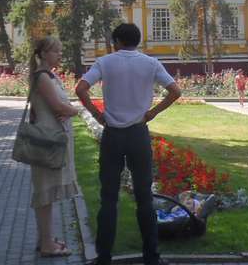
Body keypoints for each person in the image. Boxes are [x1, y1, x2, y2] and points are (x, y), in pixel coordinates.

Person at [75, 23, 182, 265]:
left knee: (108, 198)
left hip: (112, 134)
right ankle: (151, 257)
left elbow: (80, 88)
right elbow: (175, 91)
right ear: (137, 40)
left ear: (117, 41)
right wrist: (152, 113)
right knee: (144, 197)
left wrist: (96, 114)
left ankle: (104, 257)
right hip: (138, 134)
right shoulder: (150, 63)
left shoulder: (105, 62)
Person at [26, 37, 81, 257]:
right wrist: (75, 110)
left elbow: (58, 107)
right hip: (48, 140)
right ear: (44, 53)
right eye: (56, 51)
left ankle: (44, 239)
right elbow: (58, 106)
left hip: (52, 139)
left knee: (46, 190)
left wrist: (66, 109)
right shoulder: (42, 77)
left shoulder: (48, 76)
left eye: (60, 50)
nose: (60, 54)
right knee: (45, 191)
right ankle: (47, 245)